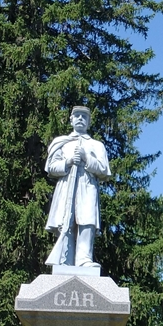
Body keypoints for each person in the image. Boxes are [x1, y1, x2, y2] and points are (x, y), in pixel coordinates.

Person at [44, 105, 111, 267]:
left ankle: (84, 259)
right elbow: (51, 168)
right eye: (77, 115)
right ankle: (64, 260)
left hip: (87, 186)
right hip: (66, 186)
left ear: (88, 122)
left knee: (87, 220)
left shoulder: (96, 145)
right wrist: (67, 162)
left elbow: (104, 170)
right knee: (65, 220)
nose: (80, 118)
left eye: (84, 116)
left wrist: (86, 157)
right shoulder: (60, 143)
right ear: (71, 120)